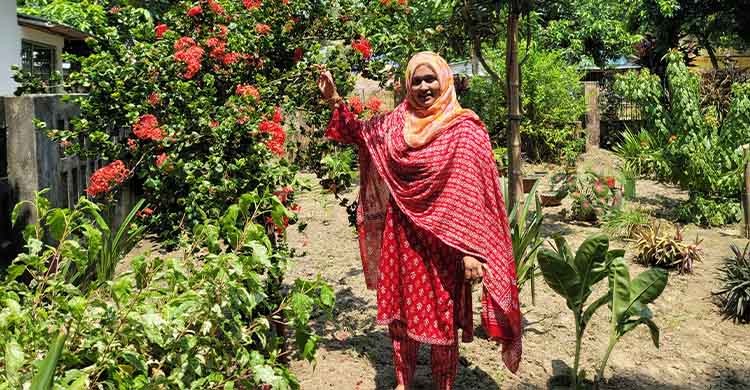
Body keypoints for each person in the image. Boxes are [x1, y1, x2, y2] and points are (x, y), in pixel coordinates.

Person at [317, 51, 522, 390]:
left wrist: (472, 251)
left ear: (445, 81)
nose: (424, 86)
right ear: (407, 85)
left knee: (443, 318)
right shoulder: (394, 124)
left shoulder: (465, 129)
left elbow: (475, 195)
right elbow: (360, 134)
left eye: (431, 79)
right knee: (401, 314)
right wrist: (335, 99)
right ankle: (403, 382)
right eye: (417, 80)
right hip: (403, 237)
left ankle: (443, 384)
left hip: (446, 243)